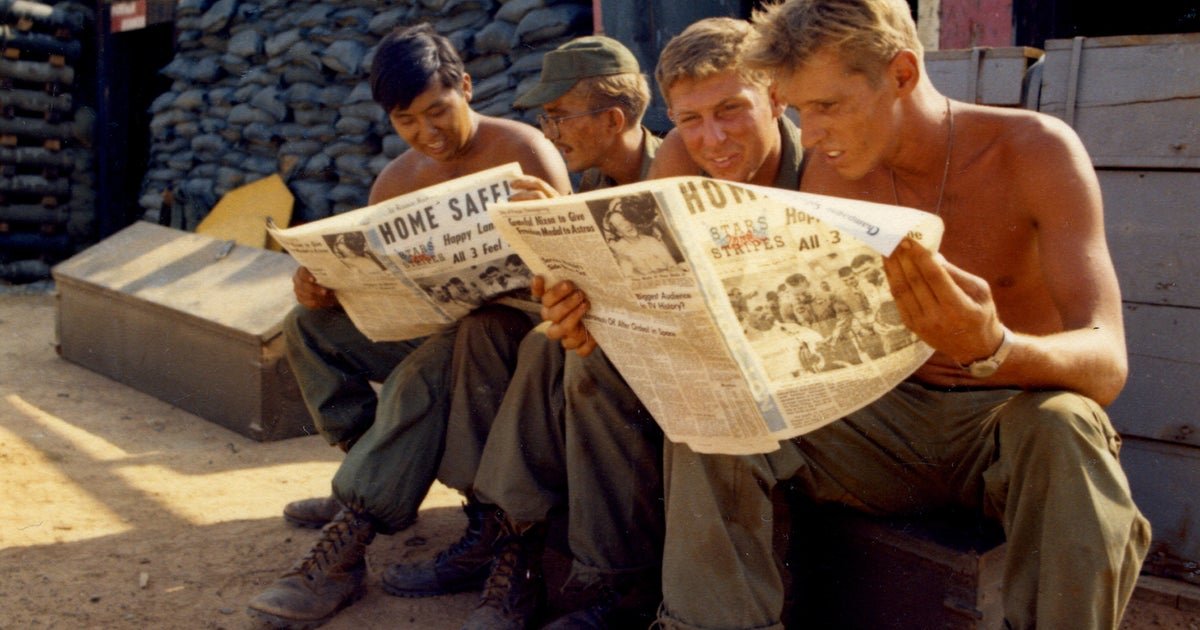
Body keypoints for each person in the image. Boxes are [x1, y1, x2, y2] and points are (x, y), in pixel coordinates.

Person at [651, 1, 1151, 628]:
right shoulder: (830, 174)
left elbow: (1107, 361)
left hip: (1003, 426)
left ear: (903, 74)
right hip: (880, 430)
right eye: (801, 111)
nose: (812, 134)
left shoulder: (1032, 150)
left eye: (828, 106)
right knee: (716, 412)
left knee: (1065, 425)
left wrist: (993, 346)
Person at [245, 23, 570, 629]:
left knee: (443, 358)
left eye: (437, 110)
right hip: (439, 332)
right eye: (406, 121)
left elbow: (573, 274)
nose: (427, 132)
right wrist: (322, 287)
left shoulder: (523, 152)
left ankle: (351, 536)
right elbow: (376, 291)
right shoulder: (396, 181)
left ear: (466, 87)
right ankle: (365, 470)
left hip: (516, 345)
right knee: (308, 325)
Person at [501, 17, 804, 629]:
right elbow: (646, 291)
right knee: (590, 355)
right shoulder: (679, 159)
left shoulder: (823, 163)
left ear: (775, 98)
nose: (713, 139)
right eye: (690, 119)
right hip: (728, 363)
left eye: (731, 110)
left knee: (711, 402)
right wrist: (578, 305)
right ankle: (617, 586)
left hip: (804, 386)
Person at [378, 34, 666, 629]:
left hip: (654, 368)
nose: (550, 132)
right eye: (546, 118)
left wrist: (558, 233)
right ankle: (495, 535)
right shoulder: (597, 181)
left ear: (613, 120)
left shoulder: (667, 173)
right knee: (486, 331)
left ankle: (573, 568)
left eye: (559, 116)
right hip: (599, 349)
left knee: (544, 346)